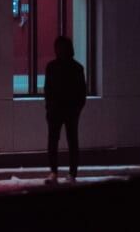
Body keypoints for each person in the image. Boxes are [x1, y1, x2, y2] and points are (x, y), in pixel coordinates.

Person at [43, 34, 87, 182]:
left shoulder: (52, 67)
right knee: (72, 141)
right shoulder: (77, 68)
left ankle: (54, 172)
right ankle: (72, 173)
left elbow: (48, 90)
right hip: (69, 111)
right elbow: (82, 93)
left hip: (58, 110)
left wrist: (49, 107)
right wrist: (77, 109)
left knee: (54, 141)